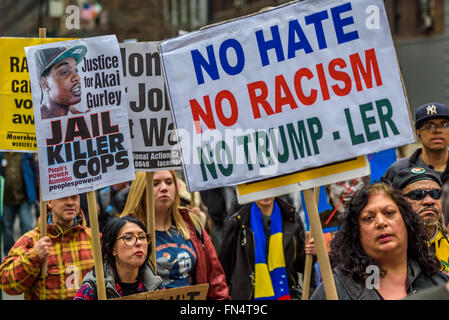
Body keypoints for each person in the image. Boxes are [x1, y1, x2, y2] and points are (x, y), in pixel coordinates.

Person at [310, 182, 449, 300]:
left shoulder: (437, 282)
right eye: (368, 218)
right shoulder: (335, 290)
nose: (381, 222)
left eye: (389, 213)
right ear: (356, 233)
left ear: (406, 222)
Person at [120, 170, 230, 300]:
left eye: (169, 182)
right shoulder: (125, 231)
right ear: (141, 190)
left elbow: (215, 278)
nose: (164, 188)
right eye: (155, 184)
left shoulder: (191, 223)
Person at [219, 196, 315, 300]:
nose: (265, 194)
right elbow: (224, 269)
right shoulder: (238, 223)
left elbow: (302, 265)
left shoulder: (291, 218)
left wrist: (311, 252)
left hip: (287, 294)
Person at [0, 194, 94, 299]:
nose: (70, 202)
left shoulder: (95, 239)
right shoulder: (31, 241)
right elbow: (7, 285)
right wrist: (33, 257)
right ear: (49, 202)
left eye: (74, 197)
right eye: (63, 197)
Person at [74, 216, 162, 300]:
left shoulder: (156, 285)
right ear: (112, 248)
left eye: (142, 237)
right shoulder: (92, 289)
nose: (139, 242)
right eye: (128, 238)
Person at [392, 166, 449, 273]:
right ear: (399, 203)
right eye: (417, 194)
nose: (429, 201)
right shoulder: (392, 249)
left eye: (435, 194)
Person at [382, 102, 449, 184]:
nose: (437, 131)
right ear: (417, 133)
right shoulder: (398, 170)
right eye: (429, 126)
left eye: (444, 125)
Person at [0, 152, 38, 256]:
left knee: (27, 226)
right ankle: (9, 256)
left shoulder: (24, 154)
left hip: (24, 199)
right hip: (6, 200)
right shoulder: (2, 154)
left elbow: (33, 173)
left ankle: (28, 254)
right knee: (7, 230)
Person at [36, 45, 87, 120]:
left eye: (76, 70)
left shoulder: (73, 115)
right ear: (45, 84)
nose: (77, 77)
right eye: (65, 71)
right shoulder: (36, 122)